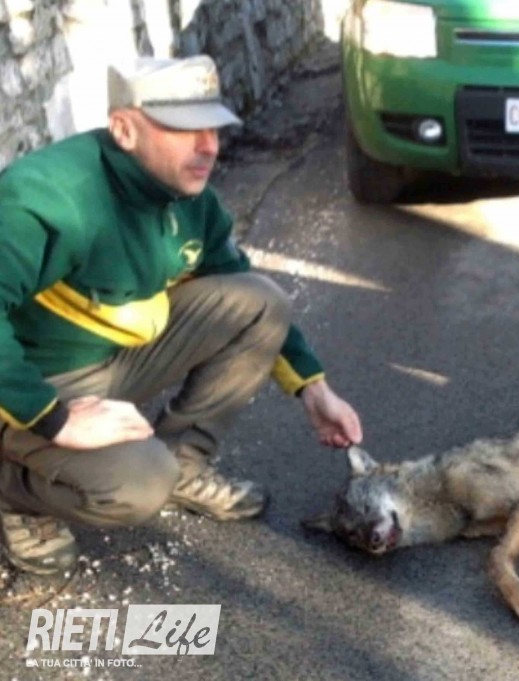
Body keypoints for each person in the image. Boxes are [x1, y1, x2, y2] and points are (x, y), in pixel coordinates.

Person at [0, 55, 363, 576]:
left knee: (260, 302)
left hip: (113, 361)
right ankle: (16, 492)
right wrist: (54, 420)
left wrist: (313, 389)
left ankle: (184, 465)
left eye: (213, 127)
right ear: (124, 129)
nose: (208, 146)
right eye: (184, 129)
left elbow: (241, 285)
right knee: (139, 486)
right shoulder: (47, 197)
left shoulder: (188, 198)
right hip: (31, 384)